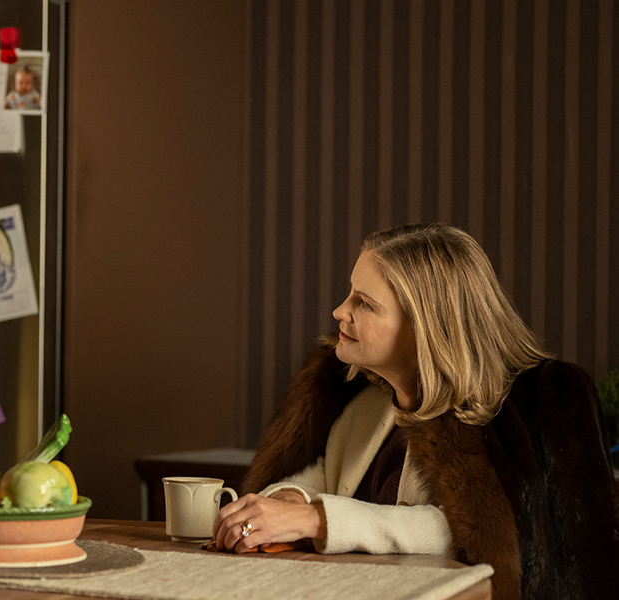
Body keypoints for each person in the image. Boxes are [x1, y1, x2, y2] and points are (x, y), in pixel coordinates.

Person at [212, 223, 619, 600]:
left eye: (364, 303)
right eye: (349, 293)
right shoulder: (363, 404)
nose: (339, 311)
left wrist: (314, 520)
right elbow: (318, 475)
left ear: (425, 324)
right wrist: (289, 498)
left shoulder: (525, 412)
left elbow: (482, 531)